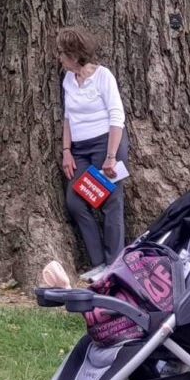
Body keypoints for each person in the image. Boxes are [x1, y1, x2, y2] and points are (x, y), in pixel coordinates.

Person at [57, 27, 128, 270]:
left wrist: (110, 157)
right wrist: (66, 151)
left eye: (62, 53)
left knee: (109, 202)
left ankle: (114, 265)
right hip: (80, 149)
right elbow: (67, 117)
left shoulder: (102, 76)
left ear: (74, 55)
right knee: (76, 202)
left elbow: (116, 116)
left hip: (106, 146)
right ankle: (98, 263)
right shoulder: (68, 79)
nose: (59, 58)